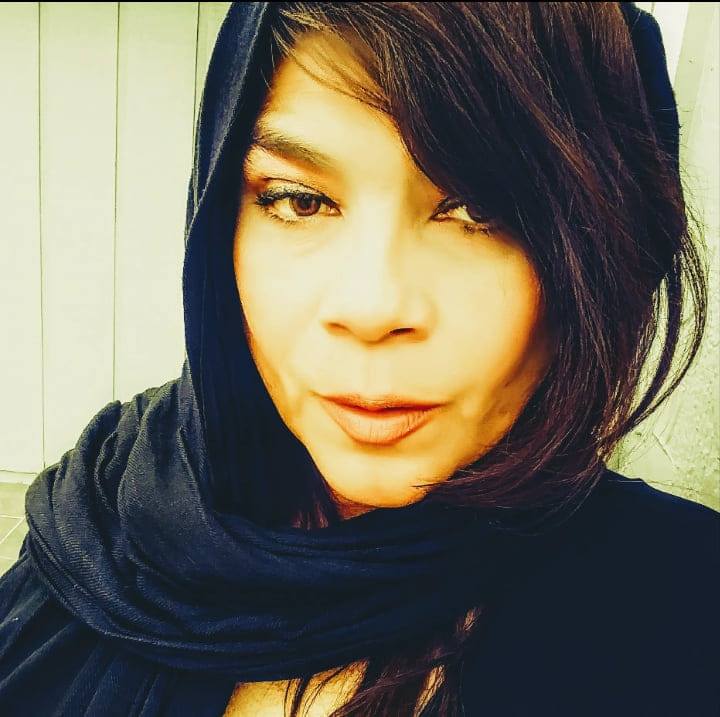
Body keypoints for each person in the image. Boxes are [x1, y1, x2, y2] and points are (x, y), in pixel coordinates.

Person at [0, 3, 718, 716]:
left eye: (480, 210)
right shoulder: (104, 511)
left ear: (605, 251)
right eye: (300, 201)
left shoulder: (683, 608)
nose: (371, 307)